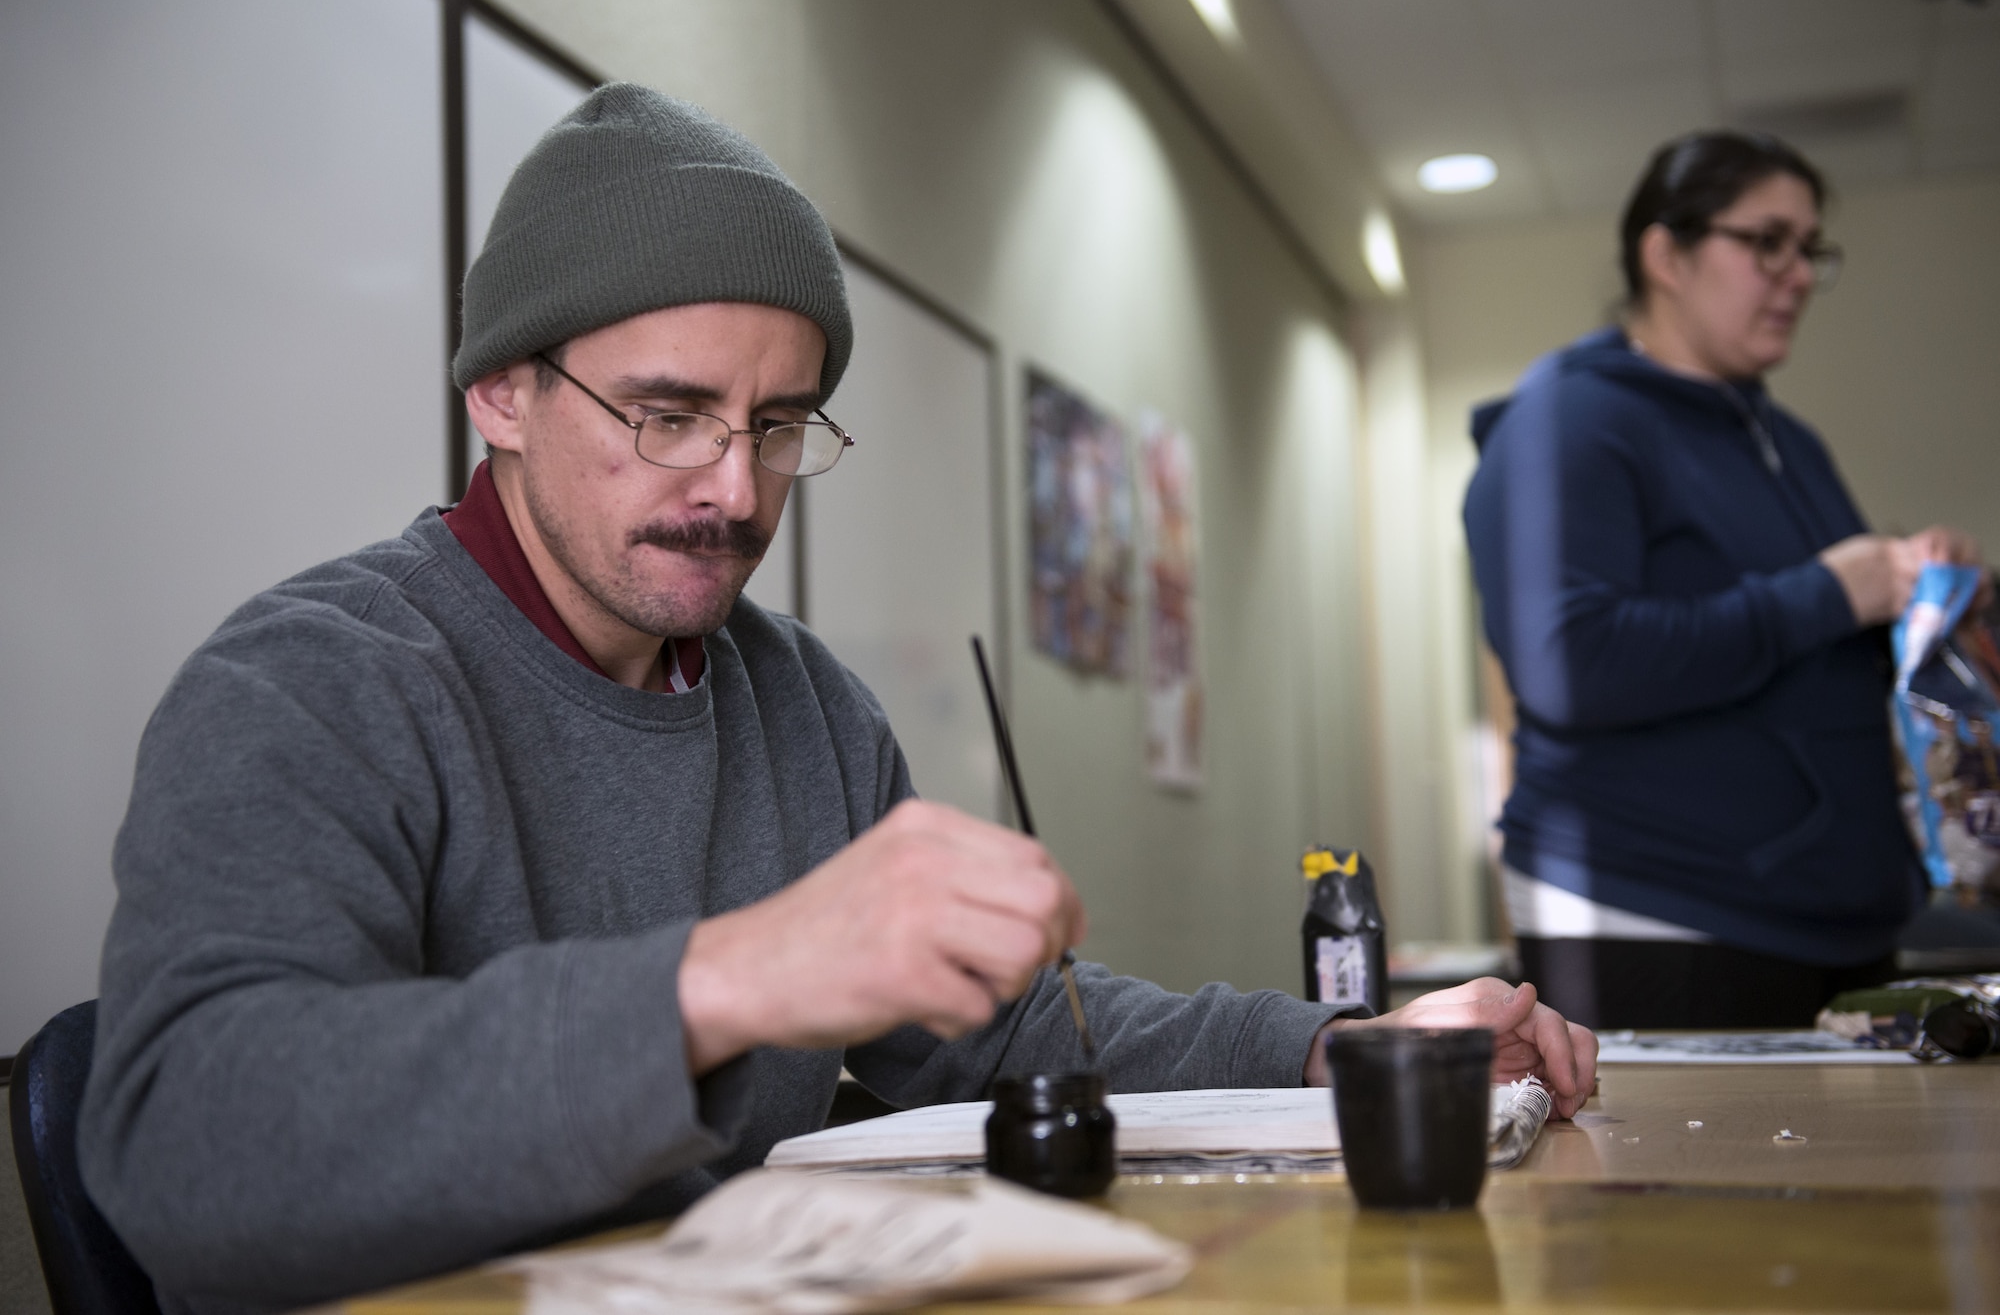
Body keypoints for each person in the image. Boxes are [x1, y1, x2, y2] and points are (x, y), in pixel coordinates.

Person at [79, 84, 1594, 1313]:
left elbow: (1005, 1031)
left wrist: (1339, 1049)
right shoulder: (316, 681)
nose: (735, 491)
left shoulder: (798, 699)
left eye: (781, 423)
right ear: (499, 392)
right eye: (669, 417)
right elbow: (189, 1154)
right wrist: (727, 978)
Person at [1464, 130, 1989, 1031]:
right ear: (1665, 253)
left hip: (1829, 919)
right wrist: (1829, 592)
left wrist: (1917, 588)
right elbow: (1568, 662)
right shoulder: (1569, 422)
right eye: (1767, 241)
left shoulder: (1791, 442)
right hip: (1657, 918)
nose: (1795, 274)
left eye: (1810, 249)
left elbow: (1819, 633)